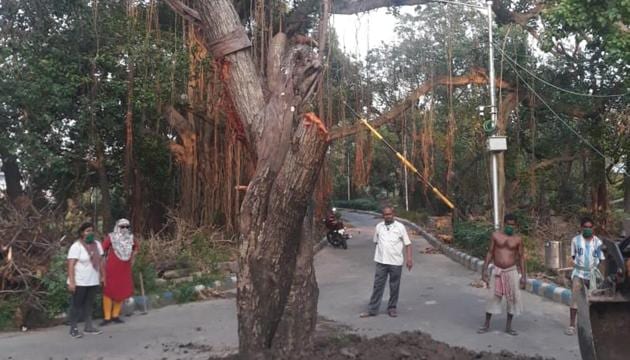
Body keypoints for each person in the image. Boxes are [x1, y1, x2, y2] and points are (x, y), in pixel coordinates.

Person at [360, 206, 413, 318]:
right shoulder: (379, 227)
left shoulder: (400, 227)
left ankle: (392, 308)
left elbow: (408, 244)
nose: (387, 216)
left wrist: (409, 259)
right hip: (381, 262)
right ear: (383, 216)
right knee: (378, 286)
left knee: (394, 286)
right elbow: (376, 242)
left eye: (389, 214)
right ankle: (373, 310)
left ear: (393, 214)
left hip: (396, 262)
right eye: (385, 214)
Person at [478, 213, 526, 336]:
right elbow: (490, 252)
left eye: (513, 225)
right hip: (497, 270)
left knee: (512, 299)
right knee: (492, 297)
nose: (510, 227)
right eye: (508, 224)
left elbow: (521, 257)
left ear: (515, 226)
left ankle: (508, 327)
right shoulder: (496, 235)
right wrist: (484, 270)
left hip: (511, 271)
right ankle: (486, 324)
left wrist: (524, 276)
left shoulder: (518, 239)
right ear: (504, 224)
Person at [565, 217, 605, 336]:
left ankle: (592, 326)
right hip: (579, 273)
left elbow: (600, 259)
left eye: (590, 227)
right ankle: (572, 325)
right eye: (585, 227)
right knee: (575, 299)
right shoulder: (575, 241)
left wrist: (597, 273)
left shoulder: (598, 242)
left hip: (592, 275)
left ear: (593, 228)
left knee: (593, 300)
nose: (587, 229)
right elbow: (573, 257)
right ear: (581, 228)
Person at [67, 222, 104, 338]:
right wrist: (72, 282)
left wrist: (103, 276)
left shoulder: (97, 244)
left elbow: (102, 261)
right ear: (82, 233)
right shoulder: (76, 246)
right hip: (80, 281)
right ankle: (73, 328)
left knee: (89, 305)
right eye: (87, 231)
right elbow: (71, 265)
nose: (90, 233)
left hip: (93, 280)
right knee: (76, 305)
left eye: (92, 230)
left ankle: (89, 327)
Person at [101, 219, 137, 325]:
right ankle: (107, 317)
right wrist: (103, 263)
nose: (125, 229)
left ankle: (115, 315)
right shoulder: (111, 237)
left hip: (125, 269)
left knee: (121, 291)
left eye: (127, 226)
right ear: (117, 227)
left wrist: (133, 259)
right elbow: (102, 249)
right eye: (122, 227)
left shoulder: (131, 238)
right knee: (108, 290)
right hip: (111, 269)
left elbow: (136, 248)